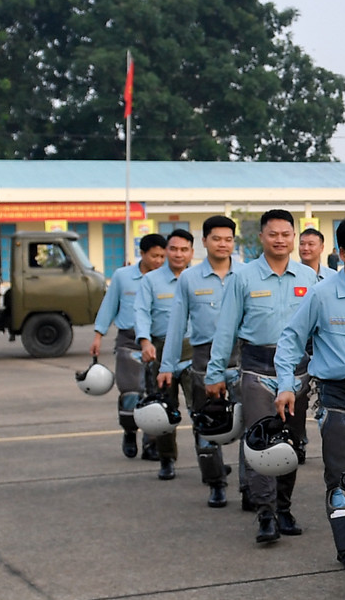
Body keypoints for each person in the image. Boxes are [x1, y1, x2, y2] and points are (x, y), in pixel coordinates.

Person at [276, 218, 345, 590]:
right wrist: (286, 385)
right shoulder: (321, 295)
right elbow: (290, 340)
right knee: (341, 480)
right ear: (343, 253)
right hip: (338, 398)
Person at [205, 210, 319, 545]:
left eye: (286, 234)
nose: (280, 240)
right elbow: (226, 330)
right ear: (261, 238)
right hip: (257, 370)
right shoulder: (243, 278)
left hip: (297, 373)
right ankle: (265, 513)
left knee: (291, 441)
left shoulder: (309, 278)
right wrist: (215, 372)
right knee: (260, 441)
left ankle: (284, 508)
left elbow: (320, 329)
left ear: (293, 237)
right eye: (273, 234)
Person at [160, 216, 240, 508]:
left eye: (228, 239)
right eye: (216, 239)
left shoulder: (246, 274)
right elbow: (177, 324)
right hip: (204, 358)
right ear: (204, 241)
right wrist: (167, 365)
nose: (223, 244)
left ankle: (251, 488)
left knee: (251, 423)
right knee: (206, 425)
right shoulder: (189, 278)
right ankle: (216, 482)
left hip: (241, 357)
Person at [91, 234, 164, 459]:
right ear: (142, 254)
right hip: (129, 342)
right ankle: (130, 432)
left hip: (158, 342)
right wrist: (98, 335)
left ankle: (151, 443)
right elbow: (109, 305)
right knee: (131, 392)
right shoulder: (123, 276)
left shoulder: (169, 278)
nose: (159, 261)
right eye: (154, 256)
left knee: (155, 396)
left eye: (162, 256)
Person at [134, 228, 195, 481]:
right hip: (159, 349)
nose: (178, 254)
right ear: (166, 251)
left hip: (193, 349)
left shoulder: (199, 279)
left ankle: (209, 462)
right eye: (174, 249)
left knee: (201, 408)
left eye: (184, 250)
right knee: (163, 410)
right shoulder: (150, 280)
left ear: (192, 252)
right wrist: (145, 341)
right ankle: (166, 459)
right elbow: (141, 312)